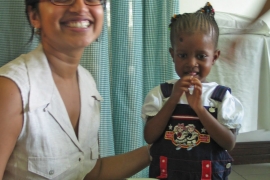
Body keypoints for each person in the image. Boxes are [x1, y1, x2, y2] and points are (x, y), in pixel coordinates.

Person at [0, 0, 151, 179]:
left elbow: (91, 173)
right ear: (34, 15)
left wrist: (157, 148)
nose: (80, 7)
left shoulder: (88, 85)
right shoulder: (12, 90)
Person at [141, 2, 244, 180]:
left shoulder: (221, 98)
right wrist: (173, 100)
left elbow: (229, 143)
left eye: (201, 56)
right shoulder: (162, 94)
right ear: (172, 55)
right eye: (182, 55)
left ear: (214, 57)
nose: (191, 63)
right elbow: (150, 136)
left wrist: (199, 109)